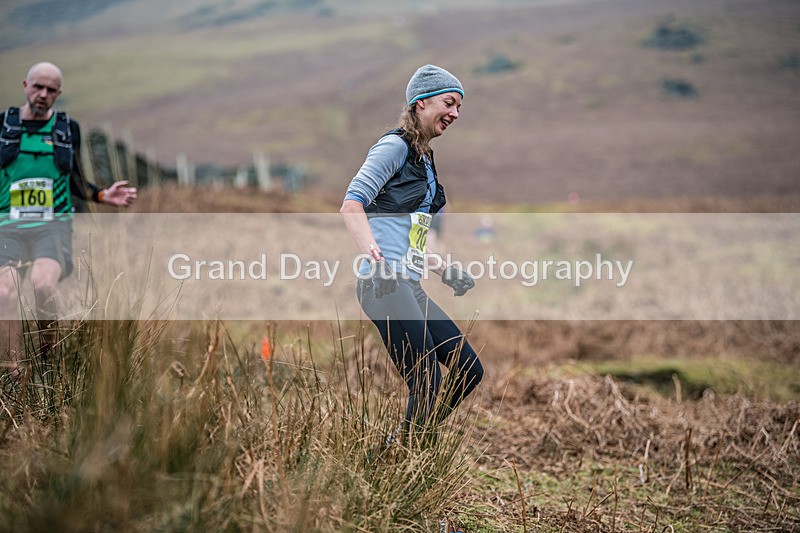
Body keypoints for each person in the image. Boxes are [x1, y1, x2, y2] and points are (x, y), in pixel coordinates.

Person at [341, 65, 483, 439]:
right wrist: (379, 265)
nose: (455, 114)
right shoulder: (395, 147)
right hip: (383, 284)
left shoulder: (425, 159)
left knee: (469, 371)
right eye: (449, 103)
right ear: (420, 104)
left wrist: (442, 268)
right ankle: (404, 452)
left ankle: (409, 444)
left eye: (459, 108)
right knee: (428, 379)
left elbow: (411, 238)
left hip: (410, 283)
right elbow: (351, 205)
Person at [1, 62, 137, 378]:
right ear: (25, 85)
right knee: (4, 292)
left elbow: (74, 179)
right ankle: (13, 370)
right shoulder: (3, 126)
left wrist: (103, 196)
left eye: (51, 90)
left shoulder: (66, 130)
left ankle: (48, 357)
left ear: (58, 94)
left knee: (43, 283)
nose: (43, 94)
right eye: (38, 87)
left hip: (53, 227)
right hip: (6, 227)